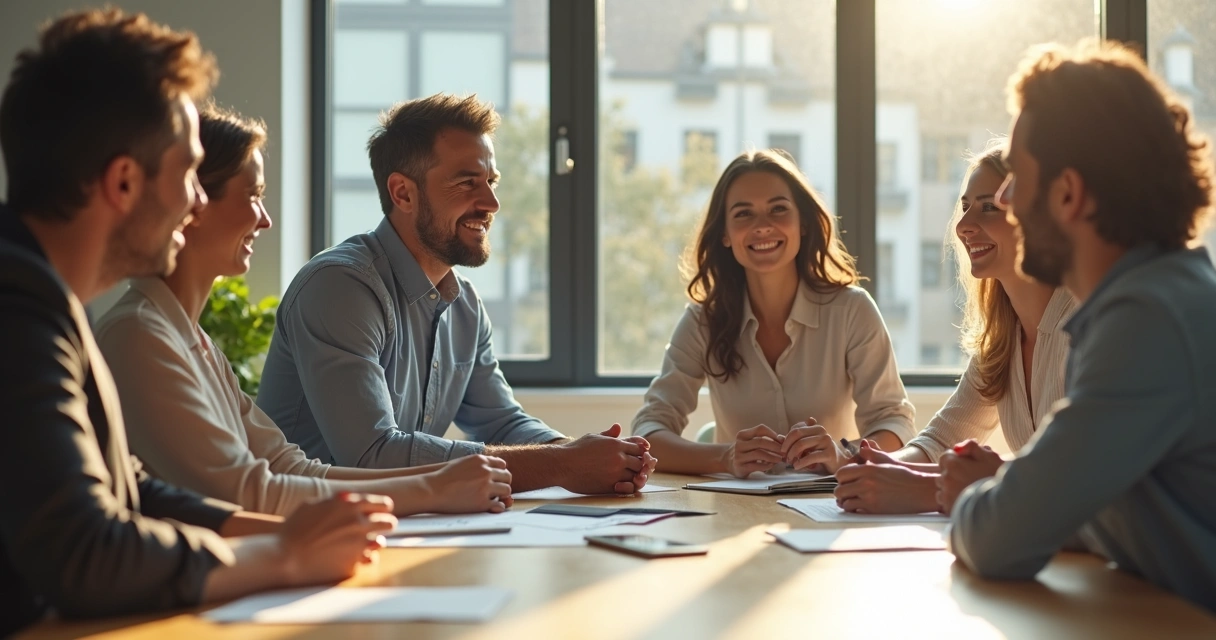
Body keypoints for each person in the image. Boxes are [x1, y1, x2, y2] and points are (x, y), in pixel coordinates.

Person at [0, 10, 397, 636]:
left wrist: (286, 533)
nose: (195, 202)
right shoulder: (16, 311)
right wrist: (284, 555)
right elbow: (83, 550)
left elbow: (128, 494)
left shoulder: (47, 304)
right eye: (188, 173)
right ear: (124, 182)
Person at [95, 104, 514, 517]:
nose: (265, 221)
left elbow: (291, 469)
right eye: (253, 196)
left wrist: (438, 485)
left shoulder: (192, 341)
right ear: (193, 204)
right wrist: (433, 489)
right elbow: (249, 492)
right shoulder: (138, 335)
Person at [255, 93, 656, 494]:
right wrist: (563, 465)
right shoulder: (339, 287)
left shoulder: (463, 303)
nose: (491, 203)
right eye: (467, 182)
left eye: (491, 182)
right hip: (302, 529)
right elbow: (372, 457)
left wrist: (588, 455)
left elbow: (502, 422)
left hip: (401, 525)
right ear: (403, 194)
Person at [944, 40, 1216, 613]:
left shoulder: (1148, 323)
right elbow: (1094, 511)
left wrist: (975, 494)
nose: (1007, 200)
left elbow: (999, 540)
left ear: (1068, 193)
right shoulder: (1158, 300)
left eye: (1016, 178)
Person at [630, 149, 915, 478]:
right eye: (743, 214)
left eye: (778, 209)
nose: (762, 226)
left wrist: (843, 455)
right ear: (724, 234)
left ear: (803, 223)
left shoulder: (852, 310)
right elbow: (649, 431)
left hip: (828, 509)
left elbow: (895, 423)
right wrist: (725, 458)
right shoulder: (701, 321)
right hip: (732, 515)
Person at [832, 141, 1075, 514]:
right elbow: (939, 441)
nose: (963, 226)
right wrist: (874, 463)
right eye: (964, 208)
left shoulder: (1080, 325)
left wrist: (926, 487)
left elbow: (1076, 473)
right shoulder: (1001, 341)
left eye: (989, 208)